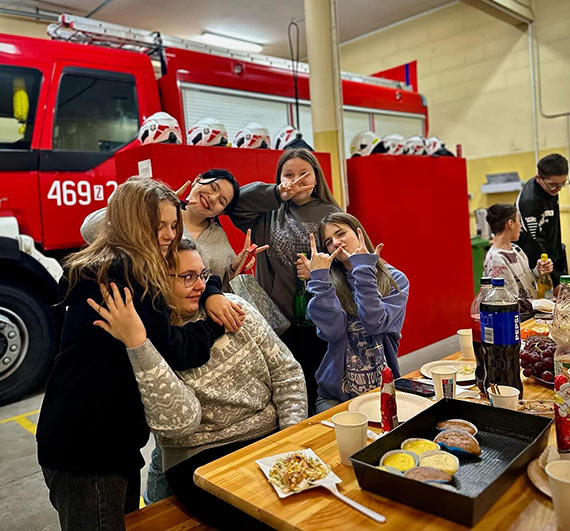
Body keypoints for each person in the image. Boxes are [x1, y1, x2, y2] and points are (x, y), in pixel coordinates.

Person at [36, 177, 232, 531]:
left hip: (96, 441)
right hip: (88, 451)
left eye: (174, 224)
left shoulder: (106, 263)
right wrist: (216, 323)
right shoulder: (125, 276)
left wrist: (210, 289)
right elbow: (175, 351)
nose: (170, 234)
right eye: (157, 226)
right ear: (130, 223)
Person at [89, 238, 307, 529]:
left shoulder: (234, 308)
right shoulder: (147, 339)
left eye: (202, 275)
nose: (200, 285)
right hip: (200, 458)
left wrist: (290, 436)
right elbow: (177, 426)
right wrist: (140, 347)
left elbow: (286, 372)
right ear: (157, 280)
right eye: (187, 277)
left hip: (269, 437)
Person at [230, 148, 342, 413]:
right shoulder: (269, 212)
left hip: (323, 320)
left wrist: (320, 273)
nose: (297, 180)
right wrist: (276, 193)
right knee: (286, 394)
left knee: (321, 392)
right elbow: (235, 205)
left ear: (317, 177)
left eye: (304, 174)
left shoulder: (332, 212)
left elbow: (347, 260)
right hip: (277, 322)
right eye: (288, 175)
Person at [82, 169, 268, 292]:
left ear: (222, 211)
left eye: (221, 201)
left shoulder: (219, 239)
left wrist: (235, 271)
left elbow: (221, 292)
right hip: (148, 306)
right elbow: (90, 230)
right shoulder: (156, 214)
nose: (212, 198)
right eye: (212, 187)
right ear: (198, 180)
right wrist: (145, 206)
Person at [298, 213, 409, 413]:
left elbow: (374, 322)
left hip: (382, 390)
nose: (336, 243)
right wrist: (320, 281)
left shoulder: (395, 280)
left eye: (341, 233)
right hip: (334, 397)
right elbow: (333, 332)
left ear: (359, 233)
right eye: (329, 242)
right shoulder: (326, 283)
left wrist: (363, 269)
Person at [516, 153, 569, 289]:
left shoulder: (551, 190)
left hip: (551, 252)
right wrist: (555, 279)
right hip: (534, 260)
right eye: (553, 185)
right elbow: (535, 243)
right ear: (539, 178)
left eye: (562, 184)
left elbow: (554, 232)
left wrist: (561, 270)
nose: (558, 189)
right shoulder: (529, 202)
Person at [484, 203, 553, 300]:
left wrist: (539, 270)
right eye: (519, 221)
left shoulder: (516, 250)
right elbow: (508, 300)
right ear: (510, 224)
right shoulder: (496, 260)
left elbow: (526, 282)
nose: (520, 226)